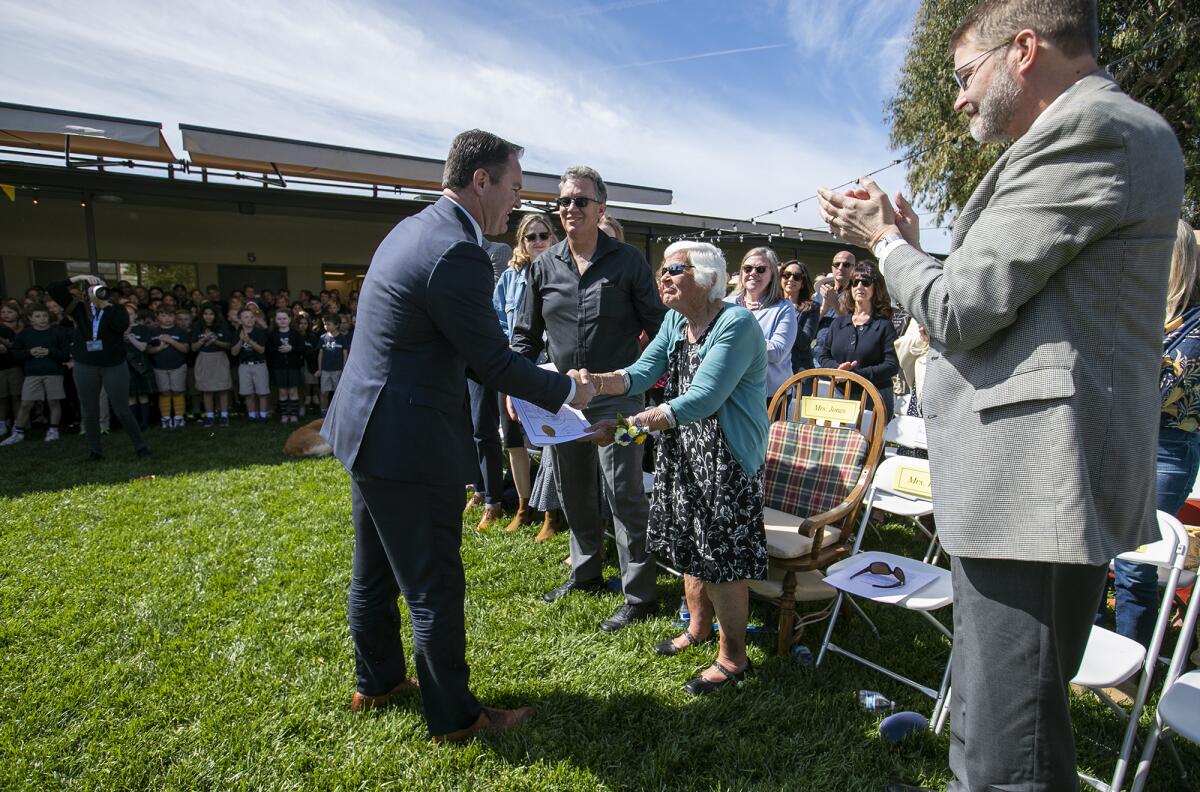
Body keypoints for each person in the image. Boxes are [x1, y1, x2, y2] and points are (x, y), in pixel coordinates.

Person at [817, 0, 1185, 787]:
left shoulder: (1092, 131)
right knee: (1006, 725)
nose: (957, 97)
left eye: (962, 75)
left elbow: (961, 308)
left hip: (1035, 489)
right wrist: (915, 251)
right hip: (1030, 486)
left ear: (1023, 50)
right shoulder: (1093, 132)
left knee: (1004, 749)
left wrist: (883, 246)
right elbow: (1012, 292)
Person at [319, 129, 594, 742]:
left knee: (374, 571)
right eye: (515, 189)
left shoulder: (415, 229)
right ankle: (455, 717)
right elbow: (492, 362)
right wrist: (571, 391)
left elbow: (468, 354)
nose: (518, 206)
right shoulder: (459, 251)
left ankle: (380, 680)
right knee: (433, 583)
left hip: (366, 430)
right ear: (481, 181)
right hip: (408, 440)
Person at [588, 241, 769, 694]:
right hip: (684, 449)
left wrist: (628, 427)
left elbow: (704, 397)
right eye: (661, 270)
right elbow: (640, 374)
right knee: (691, 542)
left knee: (722, 561)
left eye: (674, 269)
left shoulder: (736, 323)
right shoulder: (675, 320)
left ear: (706, 278)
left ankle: (733, 658)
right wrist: (594, 383)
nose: (662, 277)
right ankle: (697, 628)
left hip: (726, 457)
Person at [512, 165, 666, 633]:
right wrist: (517, 389)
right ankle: (586, 573)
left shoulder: (628, 262)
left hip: (616, 396)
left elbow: (660, 328)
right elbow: (523, 338)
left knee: (623, 492)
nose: (570, 208)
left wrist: (645, 377)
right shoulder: (543, 266)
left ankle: (639, 593)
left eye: (580, 201)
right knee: (573, 489)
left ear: (601, 208)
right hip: (559, 400)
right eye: (563, 201)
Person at [1106, 220, 1200, 647]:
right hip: (1125, 438)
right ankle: (1090, 642)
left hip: (1167, 450)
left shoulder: (1193, 326)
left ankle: (1130, 660)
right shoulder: (1147, 312)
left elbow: (1155, 388)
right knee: (1100, 547)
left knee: (1135, 561)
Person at [493, 212, 558, 535]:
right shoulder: (510, 277)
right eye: (530, 237)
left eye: (543, 235)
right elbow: (498, 319)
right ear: (521, 242)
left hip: (551, 366)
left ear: (553, 237)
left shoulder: (563, 272)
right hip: (516, 366)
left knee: (551, 439)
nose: (537, 242)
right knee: (514, 439)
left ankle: (551, 512)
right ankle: (523, 506)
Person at [813, 261, 899, 418]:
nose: (859, 286)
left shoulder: (884, 325)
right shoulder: (838, 323)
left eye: (865, 282)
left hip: (874, 398)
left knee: (870, 443)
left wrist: (856, 374)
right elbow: (823, 354)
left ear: (876, 288)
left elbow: (892, 365)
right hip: (840, 395)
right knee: (840, 441)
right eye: (854, 282)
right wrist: (837, 369)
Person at [725, 247, 797, 402]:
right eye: (748, 268)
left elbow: (778, 352)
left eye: (761, 269)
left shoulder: (784, 308)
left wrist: (737, 340)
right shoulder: (726, 304)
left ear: (772, 275)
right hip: (731, 389)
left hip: (770, 395)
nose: (753, 273)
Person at [1, 303, 70, 445]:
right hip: (32, 373)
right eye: (38, 316)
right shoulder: (25, 334)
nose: (42, 319)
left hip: (53, 372)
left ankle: (53, 430)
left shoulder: (57, 332)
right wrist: (29, 352)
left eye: (44, 316)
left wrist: (49, 352)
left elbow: (64, 355)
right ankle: (18, 432)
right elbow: (15, 353)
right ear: (30, 319)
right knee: (26, 403)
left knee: (53, 401)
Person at [146, 307, 190, 429]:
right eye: (164, 316)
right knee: (164, 392)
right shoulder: (153, 332)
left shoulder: (180, 331)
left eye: (170, 316)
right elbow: (148, 350)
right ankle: (166, 418)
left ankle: (179, 417)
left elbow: (186, 349)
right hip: (159, 367)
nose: (167, 319)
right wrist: (159, 348)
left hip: (178, 366)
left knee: (177, 391)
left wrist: (171, 341)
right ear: (158, 317)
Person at [192, 304, 233, 427]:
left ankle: (224, 415)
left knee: (222, 388)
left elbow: (228, 345)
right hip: (204, 359)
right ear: (202, 315)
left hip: (220, 358)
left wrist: (215, 341)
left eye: (211, 314)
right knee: (207, 390)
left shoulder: (223, 326)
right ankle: (209, 416)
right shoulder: (197, 326)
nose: (208, 317)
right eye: (205, 314)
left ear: (215, 315)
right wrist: (203, 340)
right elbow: (193, 348)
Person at [780, 260, 819, 374]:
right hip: (774, 368)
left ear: (803, 283)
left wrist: (789, 312)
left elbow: (804, 343)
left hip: (800, 370)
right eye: (786, 275)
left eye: (796, 277)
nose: (790, 279)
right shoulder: (771, 305)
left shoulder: (812, 307)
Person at [231, 307, 270, 422]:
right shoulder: (237, 333)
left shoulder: (259, 332)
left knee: (262, 392)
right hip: (244, 366)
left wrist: (249, 341)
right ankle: (252, 415)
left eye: (252, 317)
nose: (249, 319)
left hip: (259, 365)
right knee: (248, 393)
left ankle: (263, 415)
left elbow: (261, 350)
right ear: (240, 320)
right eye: (246, 317)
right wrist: (241, 340)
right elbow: (234, 352)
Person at [268, 309, 305, 424]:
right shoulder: (272, 334)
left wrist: (291, 348)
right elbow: (268, 350)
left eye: (284, 318)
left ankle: (293, 414)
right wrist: (279, 349)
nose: (282, 321)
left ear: (289, 319)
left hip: (293, 367)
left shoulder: (296, 334)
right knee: (282, 391)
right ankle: (284, 414)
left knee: (293, 391)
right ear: (275, 320)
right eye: (279, 319)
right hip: (279, 367)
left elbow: (302, 348)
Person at [0, 299, 24, 437]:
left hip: (16, 366)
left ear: (17, 313)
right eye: (3, 312)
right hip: (1, 367)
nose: (6, 314)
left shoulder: (23, 329)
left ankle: (18, 423)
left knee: (16, 396)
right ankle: (2, 423)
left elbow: (14, 345)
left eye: (9, 312)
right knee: (2, 398)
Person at [317, 314, 347, 415]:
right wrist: (320, 369)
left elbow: (345, 354)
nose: (326, 326)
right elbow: (320, 354)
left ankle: (337, 412)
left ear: (337, 325)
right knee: (324, 392)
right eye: (325, 324)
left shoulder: (342, 338)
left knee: (337, 393)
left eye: (328, 324)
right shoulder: (323, 338)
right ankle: (323, 411)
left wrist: (344, 369)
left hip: (337, 370)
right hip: (325, 370)